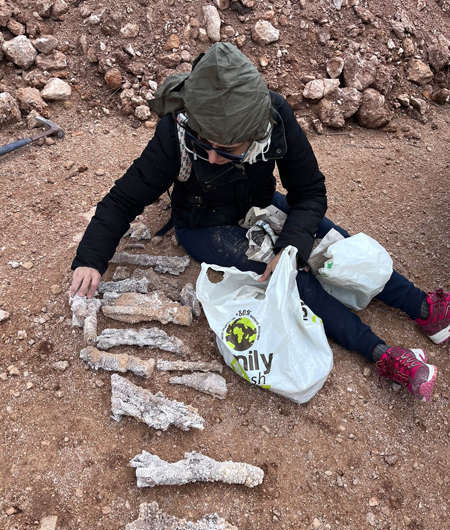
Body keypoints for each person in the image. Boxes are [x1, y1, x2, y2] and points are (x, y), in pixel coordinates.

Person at [71, 42, 450, 403]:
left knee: (333, 245)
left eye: (226, 149)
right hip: (203, 226)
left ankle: (425, 309)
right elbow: (125, 198)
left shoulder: (274, 117)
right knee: (288, 277)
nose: (212, 157)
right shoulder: (177, 130)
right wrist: (91, 257)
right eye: (204, 143)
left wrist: (291, 244)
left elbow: (309, 192)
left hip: (260, 204)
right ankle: (381, 353)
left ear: (254, 133)